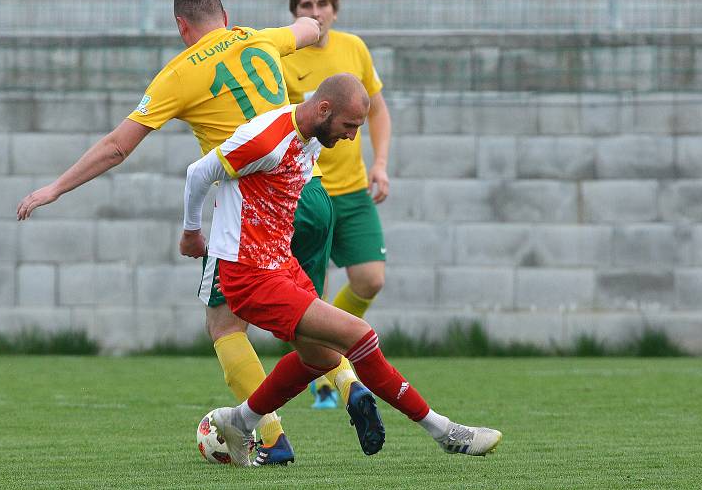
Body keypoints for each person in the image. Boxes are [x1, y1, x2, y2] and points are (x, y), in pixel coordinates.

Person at [15, 0, 368, 467]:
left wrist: (54, 188)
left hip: (251, 207)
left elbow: (119, 146)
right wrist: (312, 25)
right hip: (310, 194)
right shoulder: (257, 37)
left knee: (224, 323)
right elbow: (307, 28)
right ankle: (349, 383)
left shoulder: (179, 74)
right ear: (224, 14)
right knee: (306, 315)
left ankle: (269, 436)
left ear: (182, 26)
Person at [180, 74, 502, 467]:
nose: (351, 137)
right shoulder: (266, 138)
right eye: (349, 127)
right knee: (359, 334)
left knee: (321, 358)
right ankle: (446, 432)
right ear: (324, 109)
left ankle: (239, 421)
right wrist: (192, 233)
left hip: (281, 264)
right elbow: (199, 172)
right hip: (249, 274)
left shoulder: (312, 136)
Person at [281, 0, 392, 409]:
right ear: (294, 14)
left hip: (353, 191)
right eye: (304, 5)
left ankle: (338, 352)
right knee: (309, 299)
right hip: (308, 194)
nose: (314, 11)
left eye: (321, 3)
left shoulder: (354, 49)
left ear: (334, 9)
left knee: (370, 278)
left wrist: (380, 163)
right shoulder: (285, 58)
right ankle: (329, 379)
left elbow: (378, 110)